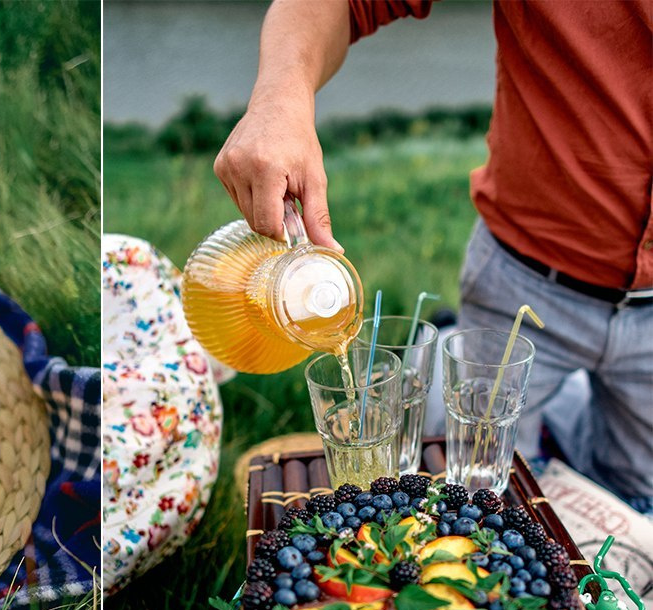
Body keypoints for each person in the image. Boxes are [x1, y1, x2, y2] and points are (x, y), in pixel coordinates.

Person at [214, 0, 653, 513]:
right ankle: (466, 366)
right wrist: (278, 100)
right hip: (525, 277)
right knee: (483, 490)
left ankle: (485, 366)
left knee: (637, 503)